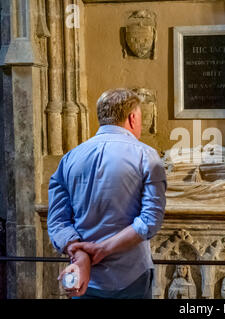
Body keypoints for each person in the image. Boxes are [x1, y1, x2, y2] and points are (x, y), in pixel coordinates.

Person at [47, 88, 167, 299]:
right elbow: (150, 219)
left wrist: (80, 254)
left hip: (85, 278)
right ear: (132, 118)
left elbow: (57, 222)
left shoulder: (69, 159)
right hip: (131, 276)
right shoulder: (146, 156)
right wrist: (103, 249)